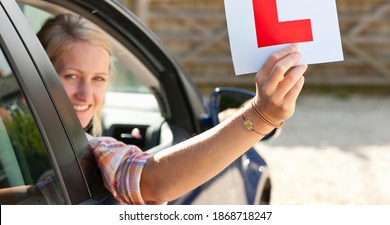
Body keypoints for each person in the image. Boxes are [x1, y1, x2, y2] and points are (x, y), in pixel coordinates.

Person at [37, 13, 308, 205]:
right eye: (70, 76)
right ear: (37, 74)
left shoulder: (14, 124)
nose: (86, 94)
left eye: (98, 79)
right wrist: (261, 116)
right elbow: (151, 184)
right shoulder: (90, 152)